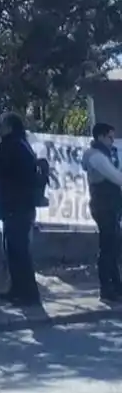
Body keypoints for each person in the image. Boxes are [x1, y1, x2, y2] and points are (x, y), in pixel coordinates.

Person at [0, 112, 42, 306]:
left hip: (18, 205)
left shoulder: (14, 146)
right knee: (13, 251)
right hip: (16, 205)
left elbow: (0, 167)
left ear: (10, 127)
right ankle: (17, 290)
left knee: (19, 252)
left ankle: (28, 294)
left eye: (2, 125)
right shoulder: (17, 144)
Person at [80, 122, 122, 300]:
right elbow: (116, 177)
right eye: (110, 137)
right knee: (108, 248)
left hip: (111, 206)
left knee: (113, 247)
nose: (112, 141)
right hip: (103, 206)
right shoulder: (95, 156)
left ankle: (115, 285)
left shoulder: (107, 154)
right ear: (100, 137)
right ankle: (107, 288)